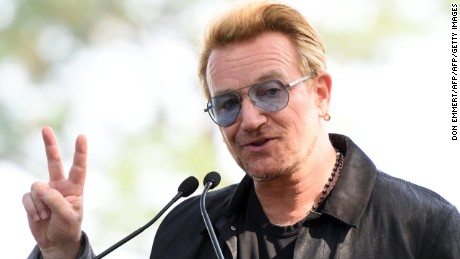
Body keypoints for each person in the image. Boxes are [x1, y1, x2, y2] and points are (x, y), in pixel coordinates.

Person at [23, 1, 460, 258]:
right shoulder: (187, 229)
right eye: (228, 103)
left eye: (270, 91)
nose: (249, 120)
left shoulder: (425, 229)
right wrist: (62, 253)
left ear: (322, 94)